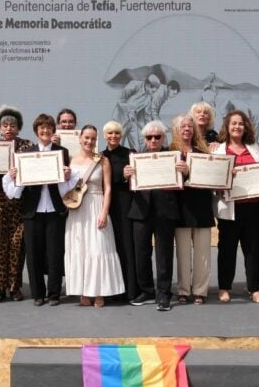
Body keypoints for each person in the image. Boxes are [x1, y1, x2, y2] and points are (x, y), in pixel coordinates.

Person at [3, 113, 76, 306]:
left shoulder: (62, 152)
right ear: (36, 131)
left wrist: (68, 175)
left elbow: (68, 184)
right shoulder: (27, 154)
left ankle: (53, 294)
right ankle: (37, 294)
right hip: (32, 211)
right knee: (33, 254)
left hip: (55, 209)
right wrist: (13, 175)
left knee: (55, 253)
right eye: (41, 128)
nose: (45, 131)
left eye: (49, 127)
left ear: (53, 130)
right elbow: (16, 186)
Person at [124, 120, 182, 311]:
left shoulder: (173, 157)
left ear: (164, 138)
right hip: (141, 211)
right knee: (141, 254)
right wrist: (126, 175)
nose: (154, 140)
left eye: (158, 136)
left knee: (164, 255)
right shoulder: (136, 158)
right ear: (145, 139)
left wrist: (185, 172)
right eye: (150, 137)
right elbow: (127, 186)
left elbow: (183, 182)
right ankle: (147, 290)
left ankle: (164, 294)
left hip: (165, 212)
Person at [64, 125, 125, 307]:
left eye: (93, 138)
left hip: (97, 205)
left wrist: (104, 212)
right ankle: (83, 291)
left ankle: (99, 292)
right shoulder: (70, 160)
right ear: (80, 138)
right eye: (86, 137)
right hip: (77, 209)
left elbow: (108, 189)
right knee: (80, 248)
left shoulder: (103, 161)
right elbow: (64, 188)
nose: (89, 141)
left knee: (98, 248)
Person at [213, 110, 259, 304]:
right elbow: (213, 178)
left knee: (253, 249)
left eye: (241, 124)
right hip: (230, 207)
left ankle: (253, 288)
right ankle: (224, 288)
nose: (237, 127)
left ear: (246, 127)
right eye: (233, 123)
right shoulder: (219, 150)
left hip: (254, 207)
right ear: (227, 127)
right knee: (227, 249)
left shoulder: (254, 148)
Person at [0, 105, 33, 302]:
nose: (8, 129)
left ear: (19, 128)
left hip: (20, 202)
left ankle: (14, 287)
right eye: (5, 125)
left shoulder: (27, 146)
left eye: (13, 125)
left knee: (17, 244)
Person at [169, 114, 213, 304]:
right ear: (176, 129)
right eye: (183, 126)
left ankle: (200, 291)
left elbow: (211, 178)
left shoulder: (203, 153)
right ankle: (184, 291)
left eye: (190, 126)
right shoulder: (169, 152)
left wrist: (190, 172)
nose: (187, 129)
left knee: (203, 252)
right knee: (183, 252)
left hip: (201, 206)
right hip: (179, 208)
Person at [101, 120, 138, 300]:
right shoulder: (99, 156)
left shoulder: (131, 154)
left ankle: (129, 290)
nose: (113, 136)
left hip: (125, 205)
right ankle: (111, 289)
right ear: (104, 136)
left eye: (116, 133)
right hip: (106, 206)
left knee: (126, 245)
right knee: (109, 246)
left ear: (121, 135)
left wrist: (126, 177)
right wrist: (120, 175)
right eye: (110, 133)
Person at [113, 74, 160, 151]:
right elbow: (120, 99)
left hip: (132, 121)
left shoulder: (149, 97)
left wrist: (149, 128)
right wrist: (130, 111)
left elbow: (147, 115)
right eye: (152, 91)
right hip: (120, 119)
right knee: (119, 145)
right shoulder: (134, 85)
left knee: (136, 148)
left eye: (154, 92)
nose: (152, 93)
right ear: (148, 85)